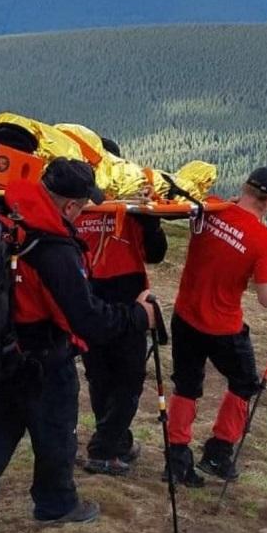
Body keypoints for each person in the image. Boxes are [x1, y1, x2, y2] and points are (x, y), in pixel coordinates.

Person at [0, 158, 155, 533]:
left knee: (2, 421)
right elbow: (88, 320)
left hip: (0, 345)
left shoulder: (4, 214)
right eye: (82, 205)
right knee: (58, 428)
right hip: (45, 352)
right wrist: (138, 316)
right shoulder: (53, 247)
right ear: (69, 207)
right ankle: (56, 504)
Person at [165, 166, 267, 486]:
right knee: (244, 383)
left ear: (244, 188)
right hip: (222, 327)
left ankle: (176, 458)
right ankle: (218, 452)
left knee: (186, 385)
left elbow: (207, 222)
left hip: (184, 316)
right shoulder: (263, 239)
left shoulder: (211, 208)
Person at [75, 137, 168, 475]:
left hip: (87, 291)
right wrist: (150, 219)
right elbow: (155, 253)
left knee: (100, 374)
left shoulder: (77, 201)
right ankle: (104, 450)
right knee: (128, 376)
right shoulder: (128, 206)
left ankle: (118, 442)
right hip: (125, 290)